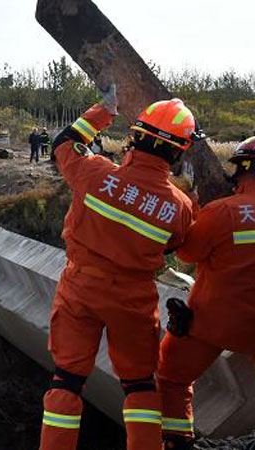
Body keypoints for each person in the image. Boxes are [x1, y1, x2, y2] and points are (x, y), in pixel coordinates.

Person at [38, 88, 197, 450]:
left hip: (80, 288)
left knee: (66, 381)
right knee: (140, 385)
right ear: (179, 151)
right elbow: (174, 246)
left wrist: (103, 111)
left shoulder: (94, 173)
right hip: (134, 300)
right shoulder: (180, 207)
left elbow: (65, 141)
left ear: (135, 136)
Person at [156, 136, 255, 450]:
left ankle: (176, 441)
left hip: (212, 323)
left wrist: (197, 206)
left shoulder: (222, 212)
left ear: (238, 170)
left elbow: (187, 254)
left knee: (172, 377)